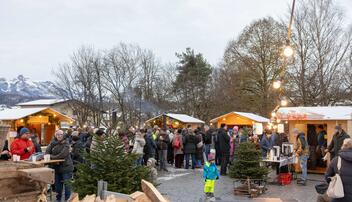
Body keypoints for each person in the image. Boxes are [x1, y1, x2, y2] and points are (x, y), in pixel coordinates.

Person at [46, 130, 74, 201]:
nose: (59, 136)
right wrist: (51, 152)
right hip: (56, 168)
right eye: (57, 134)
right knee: (58, 186)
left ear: (63, 135)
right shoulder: (52, 143)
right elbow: (47, 153)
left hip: (66, 167)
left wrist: (52, 156)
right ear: (55, 135)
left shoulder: (66, 143)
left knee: (67, 186)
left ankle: (67, 200)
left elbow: (63, 155)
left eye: (60, 134)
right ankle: (58, 200)